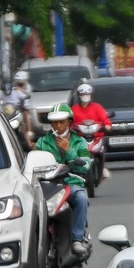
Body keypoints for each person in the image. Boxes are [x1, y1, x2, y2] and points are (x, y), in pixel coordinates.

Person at [36, 106, 93, 259]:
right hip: (49, 185)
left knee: (81, 198)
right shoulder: (43, 142)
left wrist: (69, 151)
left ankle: (77, 239)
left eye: (61, 122)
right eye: (54, 123)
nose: (58, 126)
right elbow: (34, 161)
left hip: (71, 184)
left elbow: (86, 165)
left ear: (69, 122)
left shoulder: (79, 142)